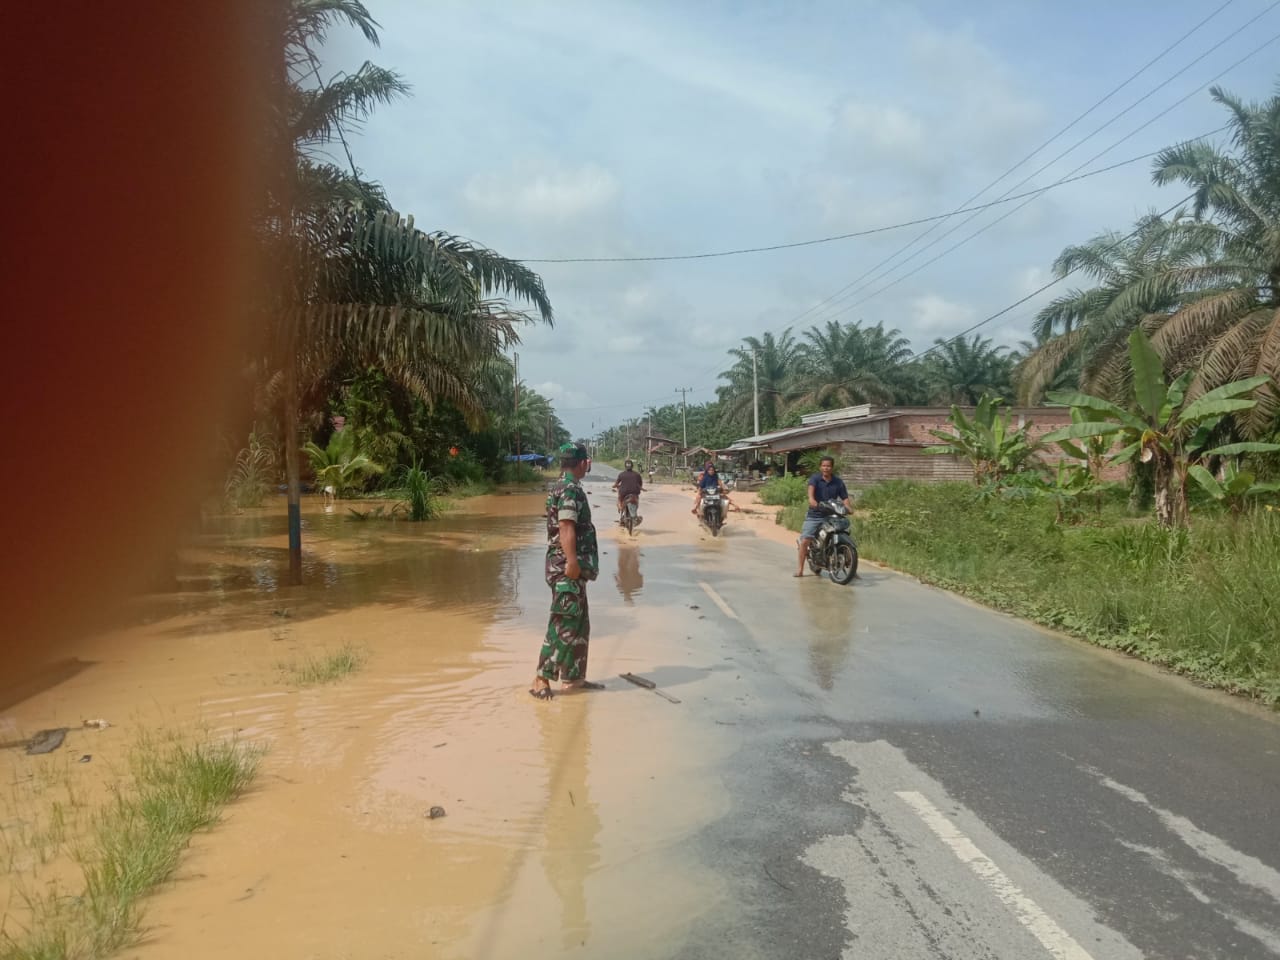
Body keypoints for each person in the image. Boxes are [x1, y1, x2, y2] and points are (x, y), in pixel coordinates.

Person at [531, 443, 602, 700]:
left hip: (573, 569)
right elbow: (566, 526)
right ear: (582, 463)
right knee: (565, 622)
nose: (589, 465)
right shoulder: (569, 489)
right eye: (587, 461)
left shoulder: (565, 485)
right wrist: (572, 561)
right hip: (566, 568)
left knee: (580, 624)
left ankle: (574, 679)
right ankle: (542, 677)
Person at [796, 456, 853, 577]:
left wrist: (848, 508)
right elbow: (810, 493)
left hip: (832, 515)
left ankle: (853, 566)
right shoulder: (815, 479)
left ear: (832, 467)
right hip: (815, 514)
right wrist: (812, 501)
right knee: (806, 540)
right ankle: (800, 569)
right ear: (820, 467)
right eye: (824, 466)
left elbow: (845, 498)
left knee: (844, 534)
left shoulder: (838, 482)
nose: (826, 468)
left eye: (828, 466)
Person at [611, 458, 644, 525]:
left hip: (623, 493)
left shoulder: (621, 474)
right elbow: (640, 484)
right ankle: (634, 515)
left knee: (619, 499)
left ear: (625, 466)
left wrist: (614, 486)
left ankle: (620, 509)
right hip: (634, 494)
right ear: (632, 466)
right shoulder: (637, 474)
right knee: (636, 501)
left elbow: (616, 484)